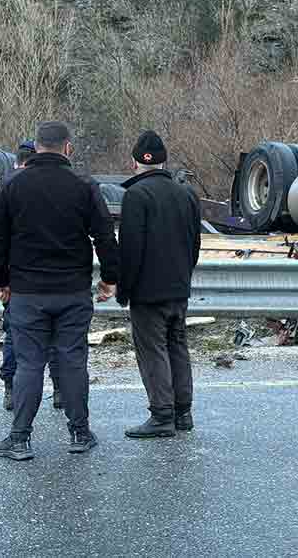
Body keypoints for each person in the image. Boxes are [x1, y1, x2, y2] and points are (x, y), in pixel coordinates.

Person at [0, 121, 118, 461]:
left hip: (27, 292)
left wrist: (0, 280)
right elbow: (104, 236)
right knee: (72, 361)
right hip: (73, 291)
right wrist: (109, 279)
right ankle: (79, 433)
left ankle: (20, 439)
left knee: (29, 364)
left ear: (37, 146)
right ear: (68, 148)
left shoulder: (13, 185)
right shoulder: (84, 186)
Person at [117, 130, 201, 439]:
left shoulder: (136, 196)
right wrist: (183, 277)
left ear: (134, 163)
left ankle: (162, 415)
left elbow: (130, 250)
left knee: (152, 350)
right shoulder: (187, 194)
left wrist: (123, 291)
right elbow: (195, 245)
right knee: (177, 345)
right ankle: (183, 413)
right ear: (164, 163)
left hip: (148, 292)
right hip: (179, 288)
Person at [0, 140, 60, 412]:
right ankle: (61, 387)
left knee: (14, 332)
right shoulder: (47, 183)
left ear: (15, 161)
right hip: (46, 270)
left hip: (13, 273)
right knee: (54, 329)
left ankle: (11, 388)